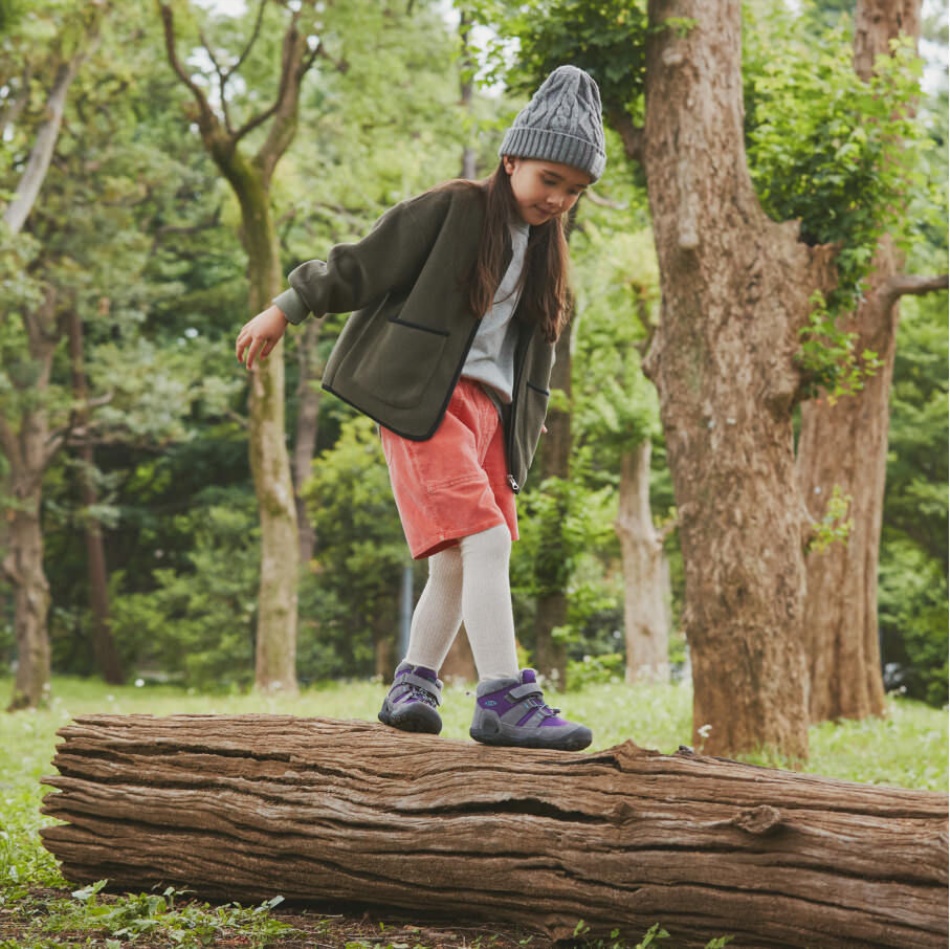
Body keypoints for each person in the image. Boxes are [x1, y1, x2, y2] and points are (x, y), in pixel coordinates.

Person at [236, 65, 606, 752]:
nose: (558, 198)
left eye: (575, 190)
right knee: (485, 540)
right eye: (549, 179)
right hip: (425, 400)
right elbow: (365, 262)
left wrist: (520, 435)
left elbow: (534, 360)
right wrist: (287, 307)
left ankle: (412, 684)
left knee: (457, 561)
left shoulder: (547, 251)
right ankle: (504, 698)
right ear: (512, 158)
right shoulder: (457, 208)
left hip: (490, 415)